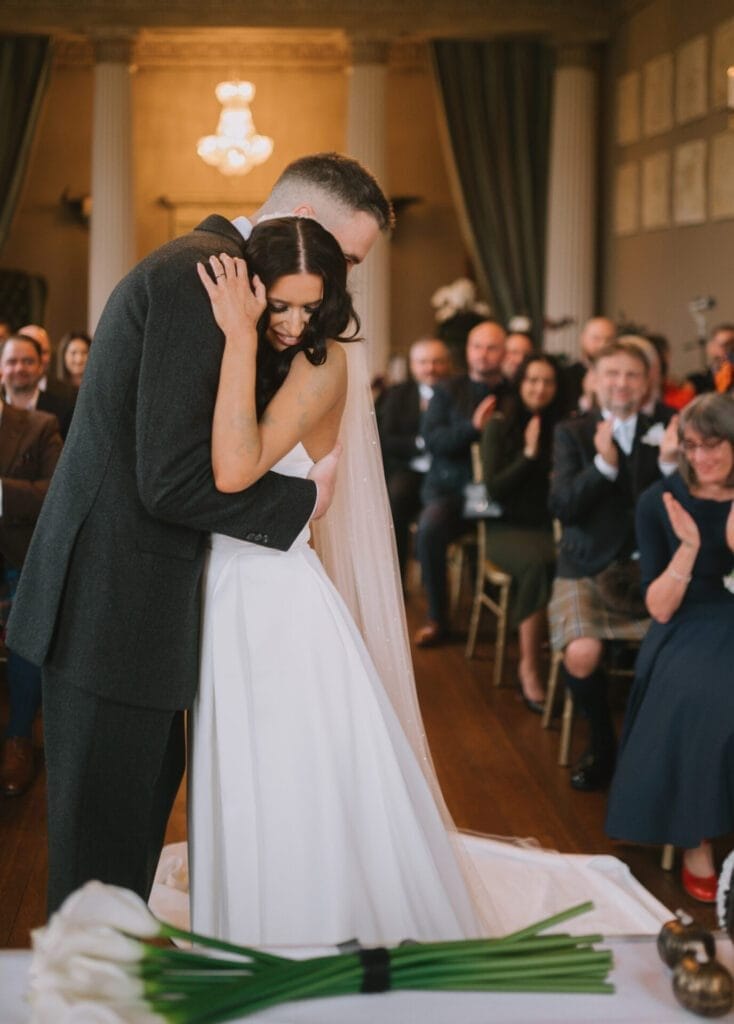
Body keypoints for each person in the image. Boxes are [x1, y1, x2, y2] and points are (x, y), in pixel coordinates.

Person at [5, 152, 393, 915]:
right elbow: (172, 479)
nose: (343, 281)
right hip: (115, 607)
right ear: (305, 229)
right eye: (347, 258)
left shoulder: (225, 280)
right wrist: (300, 508)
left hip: (134, 602)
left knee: (124, 838)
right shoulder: (204, 277)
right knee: (101, 857)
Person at [190, 217, 485, 944]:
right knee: (248, 781)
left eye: (309, 307)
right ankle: (255, 932)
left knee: (294, 777)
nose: (293, 323)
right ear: (254, 290)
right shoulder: (253, 351)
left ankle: (315, 935)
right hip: (225, 582)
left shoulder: (324, 365)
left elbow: (233, 467)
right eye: (279, 305)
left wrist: (237, 336)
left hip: (274, 591)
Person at [606, 394, 734, 904]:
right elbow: (659, 607)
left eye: (715, 445)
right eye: (693, 447)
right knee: (704, 696)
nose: (702, 458)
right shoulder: (659, 500)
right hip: (687, 616)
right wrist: (688, 547)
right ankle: (696, 835)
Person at [547, 339, 679, 792]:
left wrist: (668, 467)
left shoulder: (669, 427)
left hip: (653, 567)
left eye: (631, 375)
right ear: (596, 380)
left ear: (646, 384)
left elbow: (677, 509)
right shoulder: (573, 432)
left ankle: (651, 751)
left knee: (675, 657)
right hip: (585, 563)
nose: (621, 383)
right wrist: (602, 466)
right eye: (612, 374)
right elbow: (562, 506)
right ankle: (602, 743)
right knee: (582, 653)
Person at [413, 319, 509, 647]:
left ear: (504, 353)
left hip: (497, 490)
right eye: (477, 346)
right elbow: (434, 440)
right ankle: (437, 617)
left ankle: (507, 614)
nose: (483, 354)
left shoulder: (514, 392)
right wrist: (472, 428)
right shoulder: (447, 391)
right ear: (467, 352)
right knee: (429, 528)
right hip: (451, 489)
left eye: (491, 347)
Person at [480, 353, 564, 712]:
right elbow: (493, 489)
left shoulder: (563, 427)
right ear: (520, 383)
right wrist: (528, 455)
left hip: (548, 526)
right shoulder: (499, 424)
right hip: (505, 527)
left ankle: (568, 667)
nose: (540, 388)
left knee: (562, 558)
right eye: (533, 380)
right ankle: (529, 667)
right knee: (536, 565)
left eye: (547, 381)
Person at [0, 401, 63, 796]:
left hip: (18, 559)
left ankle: (18, 738)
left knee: (26, 632)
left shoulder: (40, 426)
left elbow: (55, 492)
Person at [377, 337, 452, 579]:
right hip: (409, 469)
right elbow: (386, 439)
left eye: (437, 361)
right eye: (423, 362)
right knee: (396, 498)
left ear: (447, 364)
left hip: (446, 472)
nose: (430, 368)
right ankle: (397, 577)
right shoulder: (397, 395)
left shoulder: (457, 393)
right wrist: (421, 443)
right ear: (412, 365)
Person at [1, 334, 74, 439]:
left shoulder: (64, 411)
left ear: (41, 367)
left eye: (28, 362)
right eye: (12, 362)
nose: (20, 368)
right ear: (1, 367)